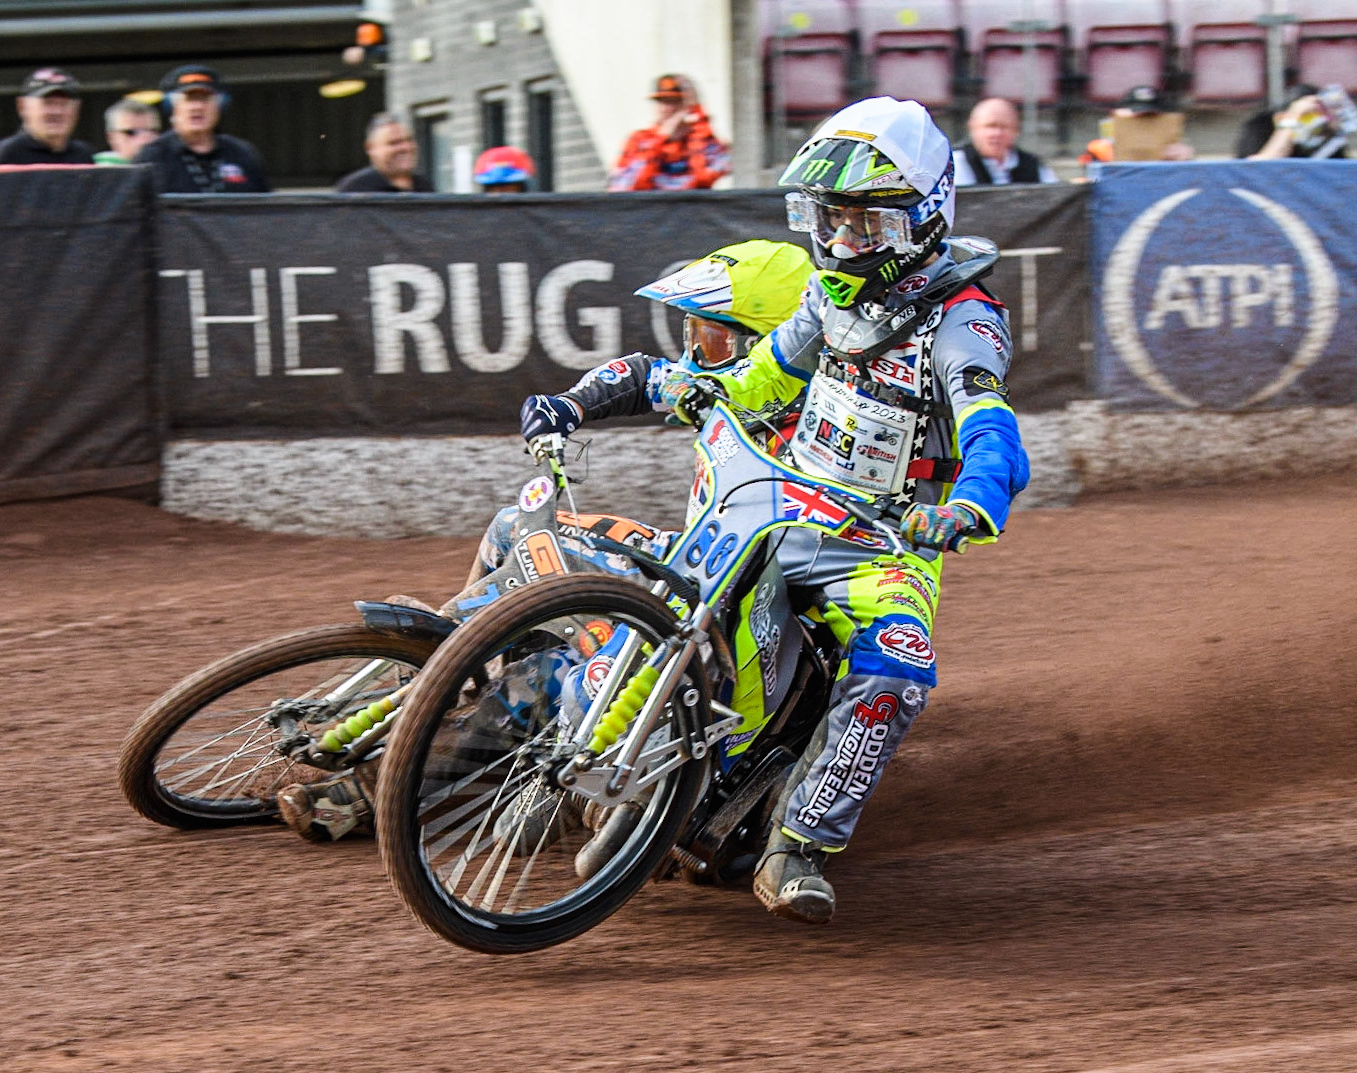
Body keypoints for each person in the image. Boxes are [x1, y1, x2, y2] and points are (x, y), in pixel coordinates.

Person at [523, 96, 1029, 925]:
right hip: (783, 501)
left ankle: (798, 842)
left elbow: (989, 423)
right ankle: (607, 751)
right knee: (681, 598)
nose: (840, 243)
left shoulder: (963, 318)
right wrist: (692, 389)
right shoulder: (827, 298)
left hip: (886, 540)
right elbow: (762, 378)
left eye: (864, 227)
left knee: (897, 667)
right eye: (828, 222)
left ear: (922, 219)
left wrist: (969, 504)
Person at [273, 238, 815, 844]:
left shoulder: (832, 424)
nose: (695, 354)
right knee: (516, 526)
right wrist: (569, 405)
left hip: (741, 615)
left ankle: (372, 793)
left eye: (711, 340)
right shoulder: (736, 390)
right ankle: (455, 653)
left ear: (773, 341)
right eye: (692, 334)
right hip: (684, 558)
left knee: (554, 676)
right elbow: (642, 375)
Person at [132, 65, 270, 193]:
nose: (197, 106)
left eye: (205, 98)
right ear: (172, 107)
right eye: (189, 99)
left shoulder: (243, 153)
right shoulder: (152, 157)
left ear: (220, 106)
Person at [607, 74, 731, 191]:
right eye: (662, 101)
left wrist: (699, 126)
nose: (668, 108)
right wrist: (661, 139)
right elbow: (623, 185)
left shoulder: (702, 139)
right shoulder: (639, 139)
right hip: (651, 210)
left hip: (691, 210)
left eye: (675, 101)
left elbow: (709, 176)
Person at [0, 67, 95, 165]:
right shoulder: (7, 155)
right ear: (22, 107)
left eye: (64, 104)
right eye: (48, 103)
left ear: (77, 108)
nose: (57, 111)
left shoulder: (84, 156)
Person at [1236, 84, 1357, 160]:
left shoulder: (1326, 134)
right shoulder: (1258, 126)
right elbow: (1258, 169)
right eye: (1306, 117)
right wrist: (1292, 121)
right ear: (1280, 117)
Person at [1078, 85, 1195, 165]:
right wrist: (1105, 157)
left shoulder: (1178, 152)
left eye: (1151, 119)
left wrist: (1185, 163)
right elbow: (1087, 180)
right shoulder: (1100, 148)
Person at [953, 97, 1057, 185]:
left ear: (1016, 130)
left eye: (1004, 127)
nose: (997, 133)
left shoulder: (1034, 165)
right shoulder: (955, 163)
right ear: (972, 128)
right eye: (990, 126)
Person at [335, 114, 434, 192]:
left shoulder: (424, 187)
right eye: (394, 143)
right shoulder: (355, 189)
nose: (406, 147)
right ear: (371, 148)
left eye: (409, 140)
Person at [93, 98, 161, 165]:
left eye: (153, 131)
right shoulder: (95, 170)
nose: (144, 140)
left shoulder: (167, 166)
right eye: (131, 132)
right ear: (111, 138)